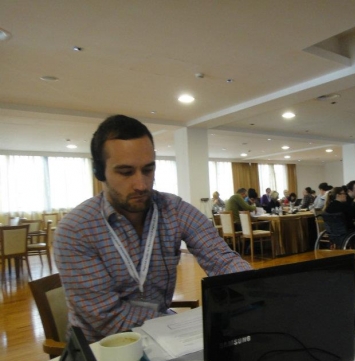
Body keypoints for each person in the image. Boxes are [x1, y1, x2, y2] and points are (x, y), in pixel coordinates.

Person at [53, 115, 252, 342]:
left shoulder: (174, 210)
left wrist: (252, 288)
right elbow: (106, 318)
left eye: (148, 170)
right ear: (99, 171)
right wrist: (177, 324)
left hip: (164, 338)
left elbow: (222, 259)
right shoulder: (76, 230)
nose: (141, 184)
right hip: (102, 351)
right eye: (126, 172)